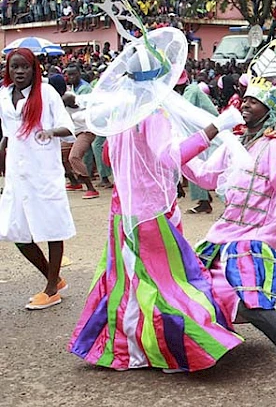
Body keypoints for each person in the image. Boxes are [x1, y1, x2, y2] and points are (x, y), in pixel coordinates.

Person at [69, 27, 243, 371]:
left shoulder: (123, 116)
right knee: (171, 282)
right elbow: (168, 158)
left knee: (131, 282)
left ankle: (129, 345)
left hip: (124, 214)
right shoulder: (154, 114)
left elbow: (107, 160)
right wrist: (214, 129)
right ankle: (182, 346)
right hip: (154, 216)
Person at [186, 76, 276, 379]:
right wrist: (178, 154)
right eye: (245, 99)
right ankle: (211, 346)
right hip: (222, 233)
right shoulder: (234, 142)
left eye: (254, 101)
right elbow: (206, 177)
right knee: (190, 283)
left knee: (247, 298)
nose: (246, 104)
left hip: (254, 235)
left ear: (269, 109)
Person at [0, 48, 76, 310]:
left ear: (35, 69)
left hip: (43, 171)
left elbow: (69, 128)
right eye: (15, 67)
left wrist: (50, 131)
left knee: (52, 227)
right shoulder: (3, 95)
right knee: (16, 231)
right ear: (8, 70)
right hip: (16, 173)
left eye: (25, 67)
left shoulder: (46, 93)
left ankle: (51, 288)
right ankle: (53, 277)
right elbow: (7, 132)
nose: (20, 72)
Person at [175, 69, 219, 214]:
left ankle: (231, 205)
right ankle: (204, 201)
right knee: (195, 163)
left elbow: (182, 111)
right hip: (205, 134)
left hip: (216, 134)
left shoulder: (191, 90)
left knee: (216, 170)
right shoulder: (186, 90)